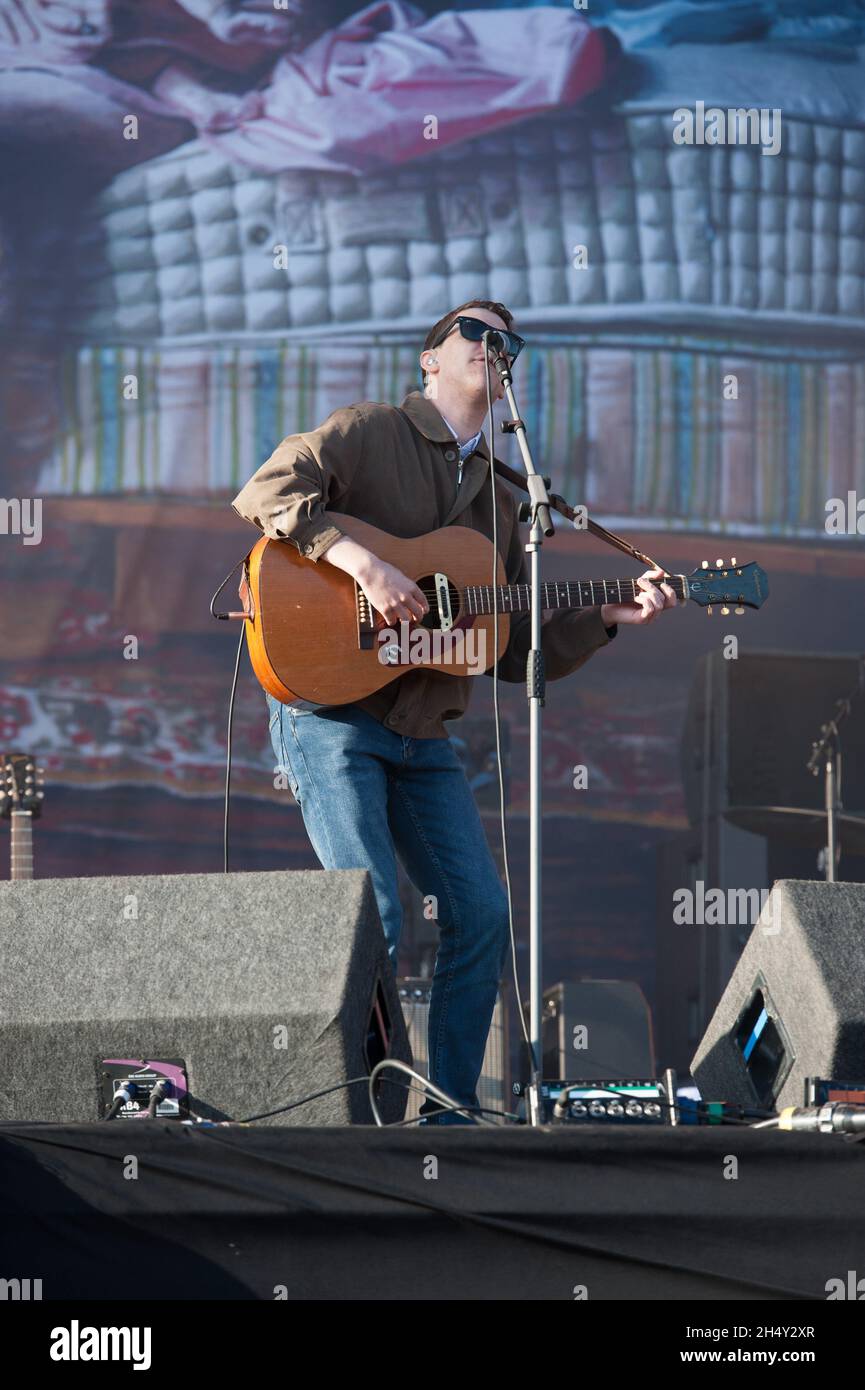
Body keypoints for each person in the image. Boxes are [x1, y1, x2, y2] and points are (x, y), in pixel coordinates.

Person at [231, 299, 679, 1123]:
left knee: (481, 915)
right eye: (473, 332)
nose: (491, 345)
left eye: (505, 338)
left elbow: (505, 647)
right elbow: (265, 490)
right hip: (331, 711)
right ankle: (361, 1114)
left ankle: (446, 1118)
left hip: (421, 733)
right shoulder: (368, 429)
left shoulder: (507, 499)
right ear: (429, 359)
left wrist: (608, 617)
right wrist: (363, 565)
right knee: (376, 913)